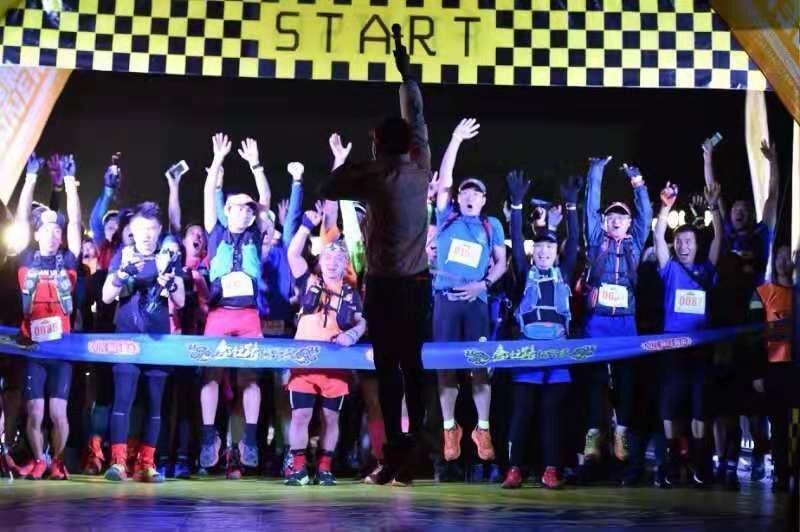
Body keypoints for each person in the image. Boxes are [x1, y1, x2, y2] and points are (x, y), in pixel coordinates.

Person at [319, 50, 432, 485]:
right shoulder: (420, 166)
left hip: (385, 288)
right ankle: (410, 449)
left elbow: (329, 186)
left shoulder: (372, 175)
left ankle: (397, 453)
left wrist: (363, 160)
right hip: (416, 286)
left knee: (388, 370)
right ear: (409, 144)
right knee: (412, 366)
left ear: (377, 143)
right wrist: (407, 76)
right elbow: (416, 117)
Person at [431, 118, 506, 466]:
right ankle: (450, 428)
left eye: (476, 193)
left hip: (476, 302)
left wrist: (483, 284)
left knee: (480, 367)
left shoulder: (492, 225)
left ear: (484, 199)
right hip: (445, 301)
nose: (470, 196)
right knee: (445, 368)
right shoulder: (446, 217)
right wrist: (455, 139)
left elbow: (501, 263)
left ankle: (483, 428)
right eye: (465, 192)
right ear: (457, 197)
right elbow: (445, 178)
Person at [501, 170, 581, 489]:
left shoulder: (564, 272)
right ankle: (514, 469)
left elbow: (575, 241)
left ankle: (551, 470)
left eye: (550, 248)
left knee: (552, 415)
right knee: (522, 413)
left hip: (558, 353)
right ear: (534, 251)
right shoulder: (524, 272)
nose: (545, 252)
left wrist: (572, 207)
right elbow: (516, 238)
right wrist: (517, 205)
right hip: (527, 352)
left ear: (556, 251)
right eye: (540, 248)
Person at [199, 134, 271, 474]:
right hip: (218, 314)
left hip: (249, 316)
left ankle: (250, 439)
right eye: (237, 206)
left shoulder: (256, 233)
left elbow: (265, 200)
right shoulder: (214, 230)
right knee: (211, 375)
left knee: (250, 378)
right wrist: (217, 161)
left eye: (248, 208)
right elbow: (208, 193)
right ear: (226, 211)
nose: (244, 211)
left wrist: (256, 165)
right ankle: (208, 437)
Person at [101, 203, 185, 482]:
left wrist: (170, 282)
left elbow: (181, 301)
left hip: (158, 340)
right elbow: (106, 297)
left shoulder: (168, 257)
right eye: (141, 229)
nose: (147, 234)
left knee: (155, 404)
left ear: (159, 230)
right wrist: (123, 273)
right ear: (132, 231)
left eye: (152, 229)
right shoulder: (123, 255)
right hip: (126, 338)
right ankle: (118, 463)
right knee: (122, 400)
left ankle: (147, 464)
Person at [577, 156, 652, 469]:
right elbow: (589, 208)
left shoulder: (635, 243)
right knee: (594, 379)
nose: (617, 220)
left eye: (622, 216)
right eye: (611, 216)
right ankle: (593, 434)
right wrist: (595, 171)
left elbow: (646, 214)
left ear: (629, 222)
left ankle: (621, 432)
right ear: (604, 222)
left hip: (625, 323)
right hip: (597, 322)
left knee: (625, 379)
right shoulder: (596, 241)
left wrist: (638, 183)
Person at [284, 209, 366, 486]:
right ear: (320, 260)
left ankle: (325, 468)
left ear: (345, 263)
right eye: (328, 258)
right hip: (304, 363)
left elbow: (362, 322)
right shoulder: (309, 281)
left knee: (331, 417)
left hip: (335, 364)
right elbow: (293, 254)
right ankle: (298, 469)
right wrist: (306, 225)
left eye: (338, 259)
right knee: (301, 415)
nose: (332, 263)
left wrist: (352, 335)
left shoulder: (351, 293)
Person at [13, 153, 81, 480]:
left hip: (62, 350)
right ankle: (40, 459)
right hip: (34, 349)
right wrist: (29, 179)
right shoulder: (26, 257)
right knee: (34, 411)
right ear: (37, 234)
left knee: (58, 412)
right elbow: (22, 221)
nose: (53, 236)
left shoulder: (68, 259)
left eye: (58, 231)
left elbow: (76, 224)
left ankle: (58, 461)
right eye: (47, 230)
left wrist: (69, 183)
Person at [653, 180, 722, 487]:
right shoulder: (669, 269)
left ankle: (700, 461)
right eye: (679, 242)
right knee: (671, 405)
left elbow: (719, 238)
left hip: (701, 348)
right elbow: (658, 236)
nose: (683, 246)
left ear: (696, 245)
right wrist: (665, 208)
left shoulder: (706, 269)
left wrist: (714, 207)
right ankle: (672, 461)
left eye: (689, 242)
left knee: (699, 406)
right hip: (672, 347)